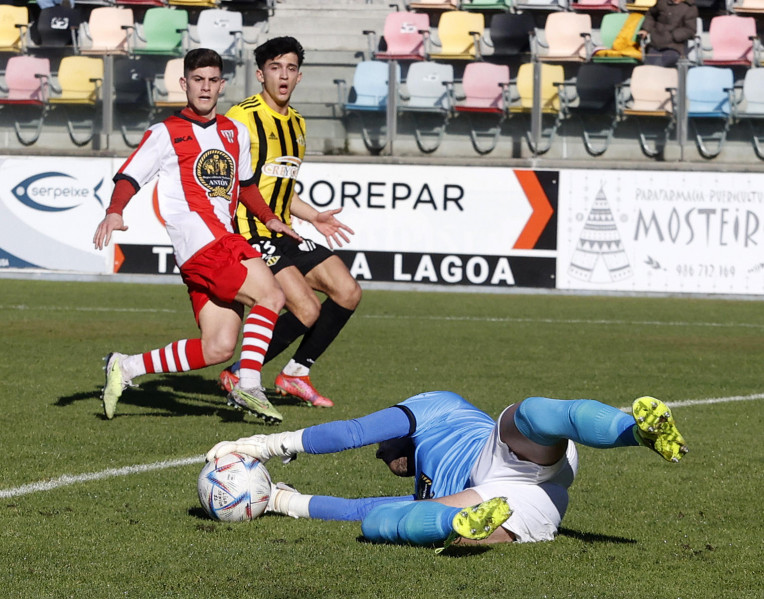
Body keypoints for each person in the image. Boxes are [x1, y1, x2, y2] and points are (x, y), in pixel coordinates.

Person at [93, 48, 301, 424]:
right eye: (198, 80)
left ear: (222, 85)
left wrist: (270, 219)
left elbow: (247, 186)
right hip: (202, 239)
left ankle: (124, 367)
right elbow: (129, 176)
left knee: (218, 346)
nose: (205, 88)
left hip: (210, 244)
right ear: (183, 83)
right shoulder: (164, 133)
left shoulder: (234, 131)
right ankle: (249, 384)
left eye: (212, 81)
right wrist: (114, 211)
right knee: (271, 295)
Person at [207, 394, 688, 549]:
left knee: (533, 413)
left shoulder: (435, 408)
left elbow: (353, 431)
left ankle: (635, 429)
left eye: (384, 448)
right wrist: (282, 501)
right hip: (532, 503)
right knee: (380, 523)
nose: (381, 455)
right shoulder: (421, 486)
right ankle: (458, 524)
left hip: (496, 455)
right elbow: (364, 507)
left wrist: (267, 445)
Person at [217, 36, 363, 409]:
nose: (283, 75)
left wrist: (314, 216)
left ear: (299, 77)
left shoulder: (297, 123)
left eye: (291, 68)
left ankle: (295, 373)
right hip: (250, 233)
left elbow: (281, 188)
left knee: (347, 291)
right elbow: (227, 181)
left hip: (285, 230)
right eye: (275, 67)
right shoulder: (240, 118)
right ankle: (239, 374)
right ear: (260, 74)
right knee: (306, 309)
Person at [637, 0, 699, 68]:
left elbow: (691, 29)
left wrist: (673, 36)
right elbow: (650, 15)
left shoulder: (690, 8)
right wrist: (645, 29)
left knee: (662, 65)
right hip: (655, 44)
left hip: (674, 47)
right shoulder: (662, 2)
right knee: (649, 65)